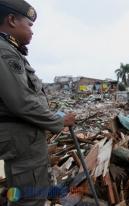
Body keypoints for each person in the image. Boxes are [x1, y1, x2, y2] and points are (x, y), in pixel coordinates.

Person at [0, 0, 76, 205]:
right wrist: (59, 121)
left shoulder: (11, 50)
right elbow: (21, 102)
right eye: (30, 25)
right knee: (30, 198)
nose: (32, 31)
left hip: (23, 138)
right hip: (21, 140)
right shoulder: (5, 52)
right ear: (12, 20)